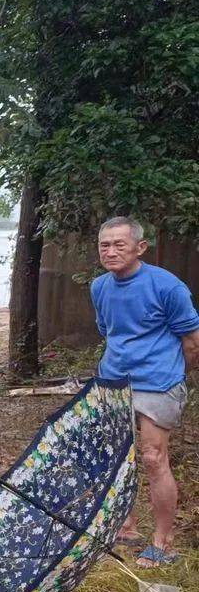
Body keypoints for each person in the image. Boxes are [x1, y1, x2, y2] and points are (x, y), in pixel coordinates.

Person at [92, 216, 199, 568]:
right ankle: (126, 526)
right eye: (104, 245)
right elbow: (110, 332)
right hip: (114, 381)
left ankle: (163, 542)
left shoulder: (168, 286)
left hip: (158, 382)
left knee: (153, 458)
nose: (110, 251)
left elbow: (192, 342)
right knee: (118, 459)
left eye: (119, 244)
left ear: (140, 247)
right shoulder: (99, 287)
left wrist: (175, 376)